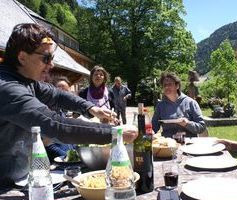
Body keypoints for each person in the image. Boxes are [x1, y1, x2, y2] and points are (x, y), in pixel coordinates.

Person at [0, 23, 137, 183]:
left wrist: (91, 108)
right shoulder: (7, 88)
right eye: (46, 58)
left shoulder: (26, 80)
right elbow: (55, 124)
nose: (51, 65)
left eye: (52, 58)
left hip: (18, 179)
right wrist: (115, 132)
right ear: (22, 57)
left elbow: (58, 96)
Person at [152, 72, 206, 138]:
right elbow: (153, 127)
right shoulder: (160, 106)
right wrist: (149, 132)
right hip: (168, 144)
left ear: (177, 86)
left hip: (188, 144)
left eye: (170, 84)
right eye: (164, 85)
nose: (167, 87)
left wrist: (187, 124)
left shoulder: (191, 103)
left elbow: (201, 127)